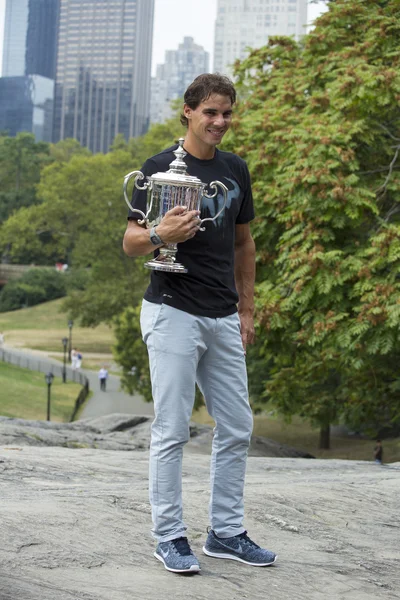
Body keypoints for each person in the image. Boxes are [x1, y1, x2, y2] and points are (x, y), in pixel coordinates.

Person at [123, 73, 277, 574]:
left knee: (237, 426)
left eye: (227, 113)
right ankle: (169, 536)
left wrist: (247, 308)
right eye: (211, 112)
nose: (220, 122)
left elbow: (243, 244)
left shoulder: (235, 170)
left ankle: (226, 533)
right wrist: (158, 232)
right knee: (172, 429)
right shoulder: (158, 168)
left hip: (223, 315)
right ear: (188, 112)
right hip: (172, 311)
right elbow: (130, 243)